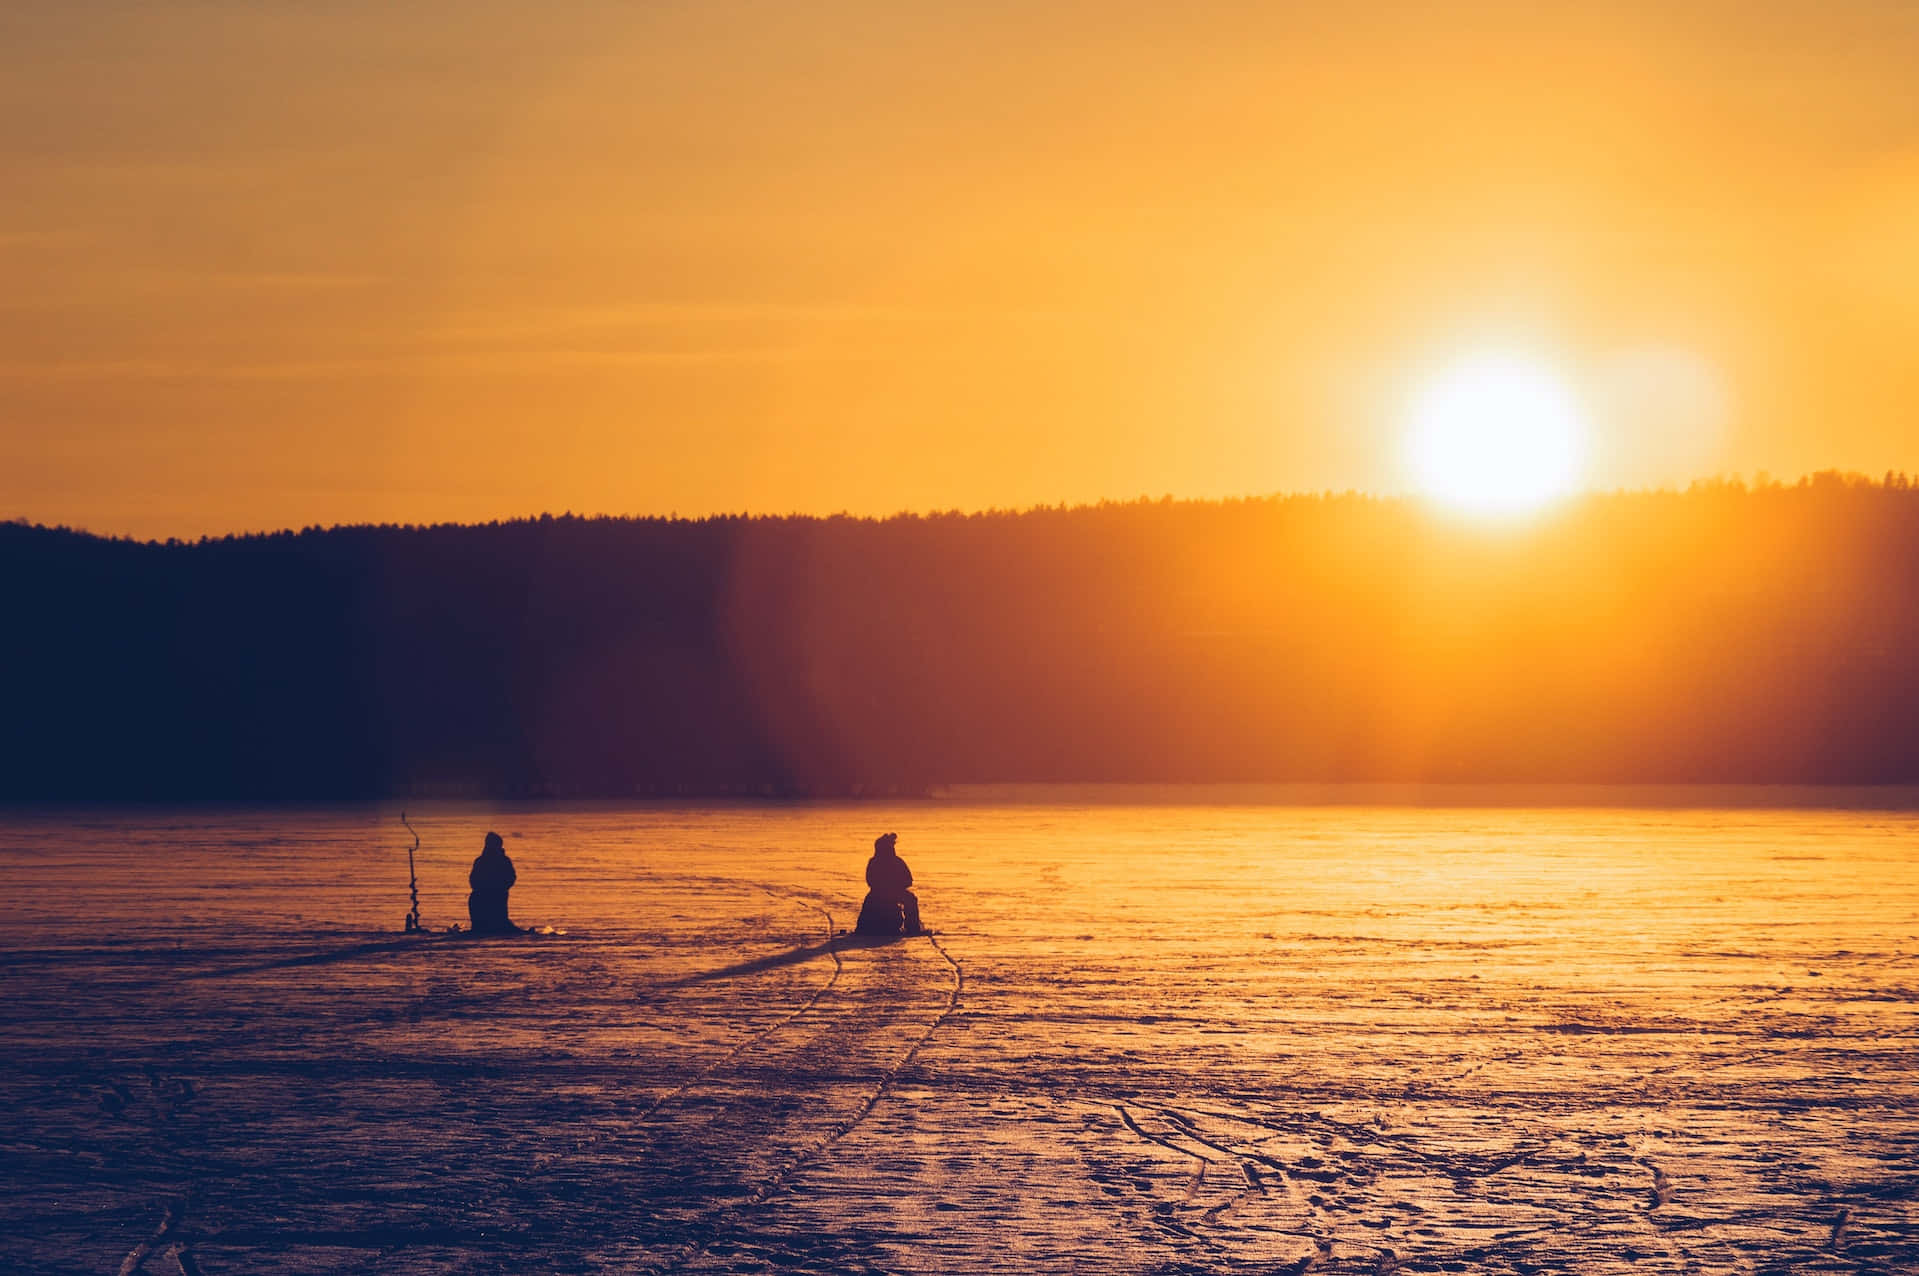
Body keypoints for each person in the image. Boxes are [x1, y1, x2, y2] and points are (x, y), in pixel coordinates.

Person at [855, 831, 924, 936]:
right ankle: (913, 928)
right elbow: (908, 881)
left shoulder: (880, 861)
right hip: (882, 892)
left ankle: (912, 927)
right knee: (910, 900)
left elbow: (907, 880)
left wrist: (894, 887)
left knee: (911, 900)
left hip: (887, 892)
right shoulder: (891, 861)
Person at [468, 831, 520, 934]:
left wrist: (498, 888)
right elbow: (473, 881)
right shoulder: (482, 861)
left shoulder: (501, 861)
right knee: (484, 928)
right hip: (482, 898)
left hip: (495, 897)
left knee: (497, 926)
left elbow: (510, 878)